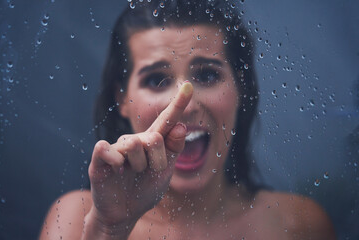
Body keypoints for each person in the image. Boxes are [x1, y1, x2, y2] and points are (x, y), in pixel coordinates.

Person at [40, 0, 336, 239]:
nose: (184, 104)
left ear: (240, 89)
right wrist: (109, 230)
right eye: (157, 80)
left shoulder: (298, 225)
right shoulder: (76, 220)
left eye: (207, 74)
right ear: (121, 100)